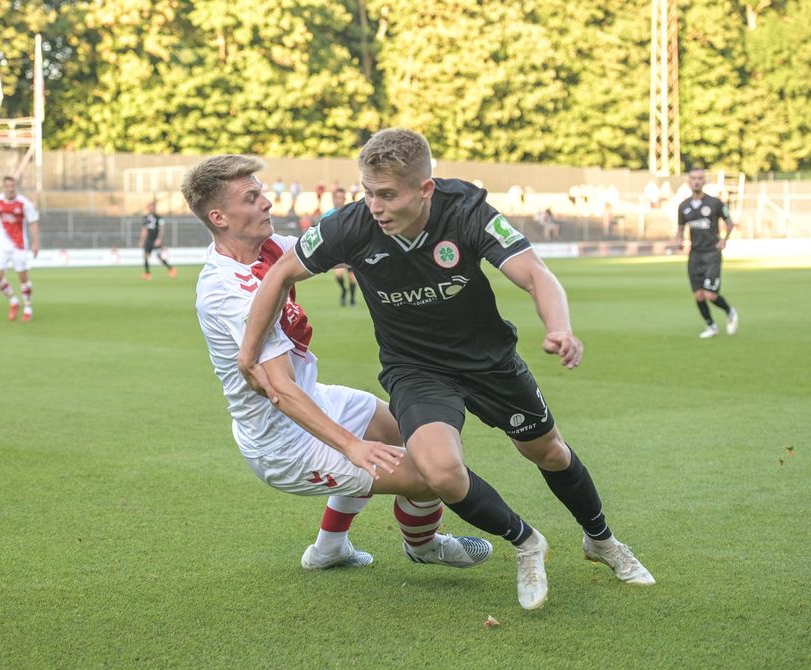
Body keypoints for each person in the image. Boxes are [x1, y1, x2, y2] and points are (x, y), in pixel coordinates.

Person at [240, 129, 655, 611]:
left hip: (488, 360)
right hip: (415, 368)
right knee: (440, 471)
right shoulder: (348, 226)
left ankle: (600, 540)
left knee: (549, 452)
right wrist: (249, 354)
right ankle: (526, 542)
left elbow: (535, 273)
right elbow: (280, 274)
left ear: (425, 190)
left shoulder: (467, 211)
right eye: (368, 192)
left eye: (388, 194)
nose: (375, 205)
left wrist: (559, 327)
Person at [180, 154, 493, 571]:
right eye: (251, 198)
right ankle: (424, 544)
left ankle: (328, 549)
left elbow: (339, 244)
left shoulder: (269, 249)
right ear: (219, 217)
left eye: (261, 193)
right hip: (283, 443)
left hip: (316, 399)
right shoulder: (228, 291)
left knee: (415, 435)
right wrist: (351, 445)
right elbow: (280, 391)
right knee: (432, 474)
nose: (267, 203)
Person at [676, 168, 739, 338]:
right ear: (689, 182)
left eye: (700, 178)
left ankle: (730, 311)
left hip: (712, 253)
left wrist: (724, 239)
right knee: (699, 295)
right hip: (695, 255)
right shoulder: (683, 206)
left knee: (710, 294)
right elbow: (680, 228)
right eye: (693, 178)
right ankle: (711, 327)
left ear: (704, 181)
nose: (696, 181)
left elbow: (730, 223)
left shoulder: (715, 203)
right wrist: (680, 241)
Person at [0, 176, 39, 322]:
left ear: (16, 187)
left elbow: (33, 222)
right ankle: (13, 302)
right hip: (2, 244)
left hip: (19, 244)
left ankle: (28, 309)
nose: (10, 188)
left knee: (22, 277)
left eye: (12, 186)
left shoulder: (24, 203)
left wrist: (35, 243)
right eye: (7, 186)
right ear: (3, 187)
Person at [322, 188, 357, 306]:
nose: (339, 200)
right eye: (337, 198)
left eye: (342, 198)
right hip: (337, 251)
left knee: (352, 278)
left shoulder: (350, 213)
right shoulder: (328, 214)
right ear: (333, 199)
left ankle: (352, 299)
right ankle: (343, 291)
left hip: (351, 250)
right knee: (339, 275)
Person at [138, 202, 177, 280]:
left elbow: (161, 229)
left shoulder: (159, 217)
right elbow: (144, 230)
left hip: (155, 240)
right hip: (148, 240)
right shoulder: (145, 217)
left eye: (152, 207)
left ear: (154, 208)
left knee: (159, 256)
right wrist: (142, 241)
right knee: (145, 257)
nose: (151, 209)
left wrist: (159, 239)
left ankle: (171, 269)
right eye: (150, 207)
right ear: (148, 208)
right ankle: (147, 274)